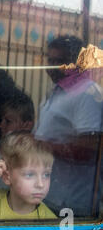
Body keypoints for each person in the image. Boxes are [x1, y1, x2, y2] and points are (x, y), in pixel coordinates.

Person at [33, 35, 103, 217]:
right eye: (51, 60)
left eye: (61, 61)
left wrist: (43, 146)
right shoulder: (56, 91)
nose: (54, 66)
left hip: (72, 202)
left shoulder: (87, 94)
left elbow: (90, 149)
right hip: (49, 194)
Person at [0, 90, 35, 190]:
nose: (1, 125)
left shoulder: (35, 153)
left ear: (27, 125)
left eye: (8, 121)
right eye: (1, 120)